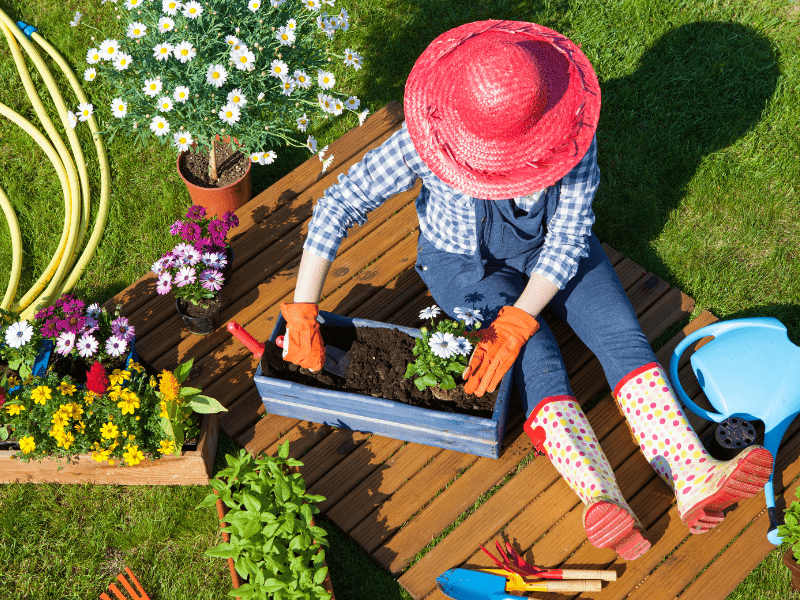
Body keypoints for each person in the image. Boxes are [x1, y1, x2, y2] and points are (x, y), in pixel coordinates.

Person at [279, 20, 773, 561]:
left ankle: (694, 473)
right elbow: (340, 203)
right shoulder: (431, 138)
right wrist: (304, 309)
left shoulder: (570, 137)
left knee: (620, 334)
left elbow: (566, 239)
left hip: (552, 256)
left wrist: (519, 318)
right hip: (463, 269)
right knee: (538, 360)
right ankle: (601, 497)